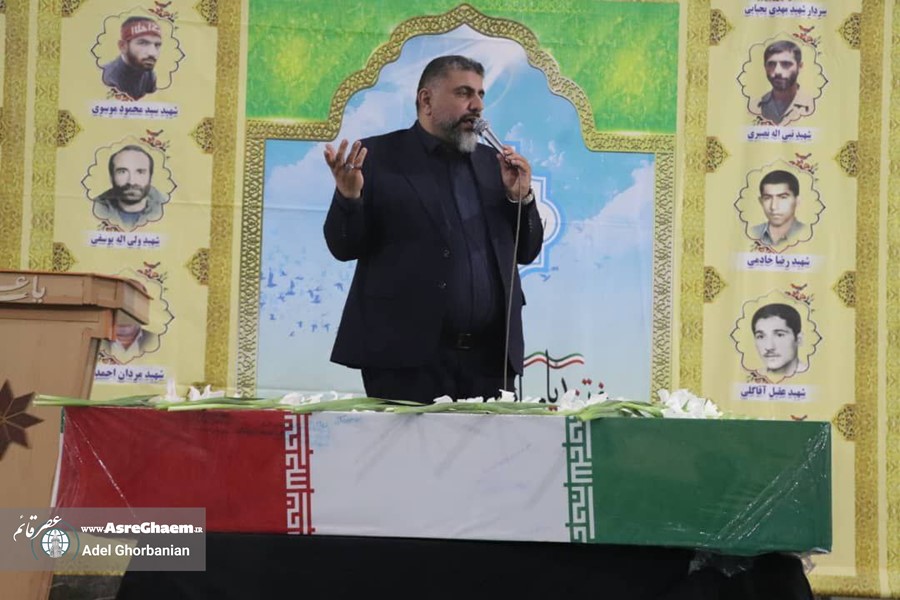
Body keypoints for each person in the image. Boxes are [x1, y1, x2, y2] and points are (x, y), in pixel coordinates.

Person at [322, 55, 544, 404]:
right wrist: (349, 198)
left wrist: (521, 198)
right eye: (464, 93)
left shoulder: (494, 166)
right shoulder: (377, 156)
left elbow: (527, 251)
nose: (477, 105)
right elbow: (344, 247)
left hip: (490, 361)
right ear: (426, 100)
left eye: (481, 94)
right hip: (405, 361)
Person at [92, 145, 168, 231]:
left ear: (151, 177)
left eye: (140, 172)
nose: (131, 182)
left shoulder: (168, 209)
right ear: (111, 177)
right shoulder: (92, 208)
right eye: (122, 172)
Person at [750, 40, 814, 126]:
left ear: (800, 67)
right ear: (765, 67)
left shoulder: (814, 107)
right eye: (771, 64)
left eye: (786, 64)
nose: (777, 71)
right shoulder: (753, 108)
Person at [101, 16, 162, 100]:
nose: (152, 53)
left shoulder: (149, 75)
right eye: (143, 43)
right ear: (123, 46)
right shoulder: (107, 78)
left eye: (157, 45)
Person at [749, 169, 805, 246]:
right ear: (761, 201)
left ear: (797, 201)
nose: (773, 207)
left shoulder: (807, 233)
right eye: (767, 198)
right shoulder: (751, 233)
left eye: (783, 197)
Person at [751, 303, 805, 378]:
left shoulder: (815, 377)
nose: (769, 347)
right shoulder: (751, 376)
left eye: (779, 335)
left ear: (799, 339)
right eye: (761, 336)